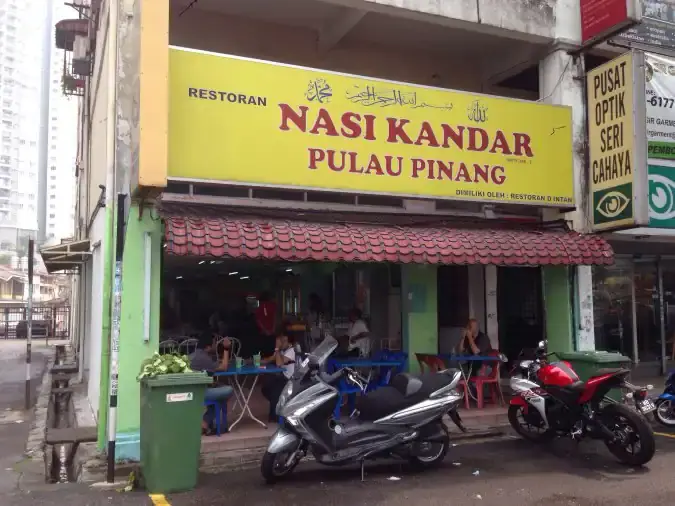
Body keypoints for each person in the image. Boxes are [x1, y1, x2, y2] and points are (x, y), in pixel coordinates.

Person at [189, 335, 234, 435]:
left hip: (193, 390)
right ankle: (206, 424)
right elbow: (224, 367)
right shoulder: (203, 358)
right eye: (214, 344)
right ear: (208, 347)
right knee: (228, 390)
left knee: (220, 393)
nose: (216, 345)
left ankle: (206, 423)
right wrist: (226, 349)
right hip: (199, 393)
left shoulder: (194, 355)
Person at [261, 330, 296, 422]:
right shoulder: (283, 351)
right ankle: (277, 407)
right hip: (282, 377)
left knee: (275, 390)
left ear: (289, 342)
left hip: (289, 380)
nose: (281, 343)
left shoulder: (291, 351)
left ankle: (275, 415)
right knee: (266, 387)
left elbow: (279, 363)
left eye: (283, 341)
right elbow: (270, 359)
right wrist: (256, 362)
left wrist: (277, 348)